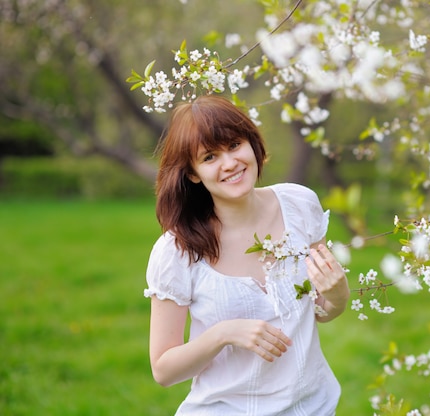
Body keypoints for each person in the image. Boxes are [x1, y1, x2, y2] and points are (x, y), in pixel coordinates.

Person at [144, 94, 351, 415]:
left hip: (313, 406)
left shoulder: (299, 206)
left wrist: (337, 296)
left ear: (252, 145)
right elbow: (163, 370)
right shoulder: (178, 251)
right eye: (210, 157)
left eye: (234, 145)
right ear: (193, 173)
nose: (229, 163)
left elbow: (319, 310)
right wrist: (223, 334)